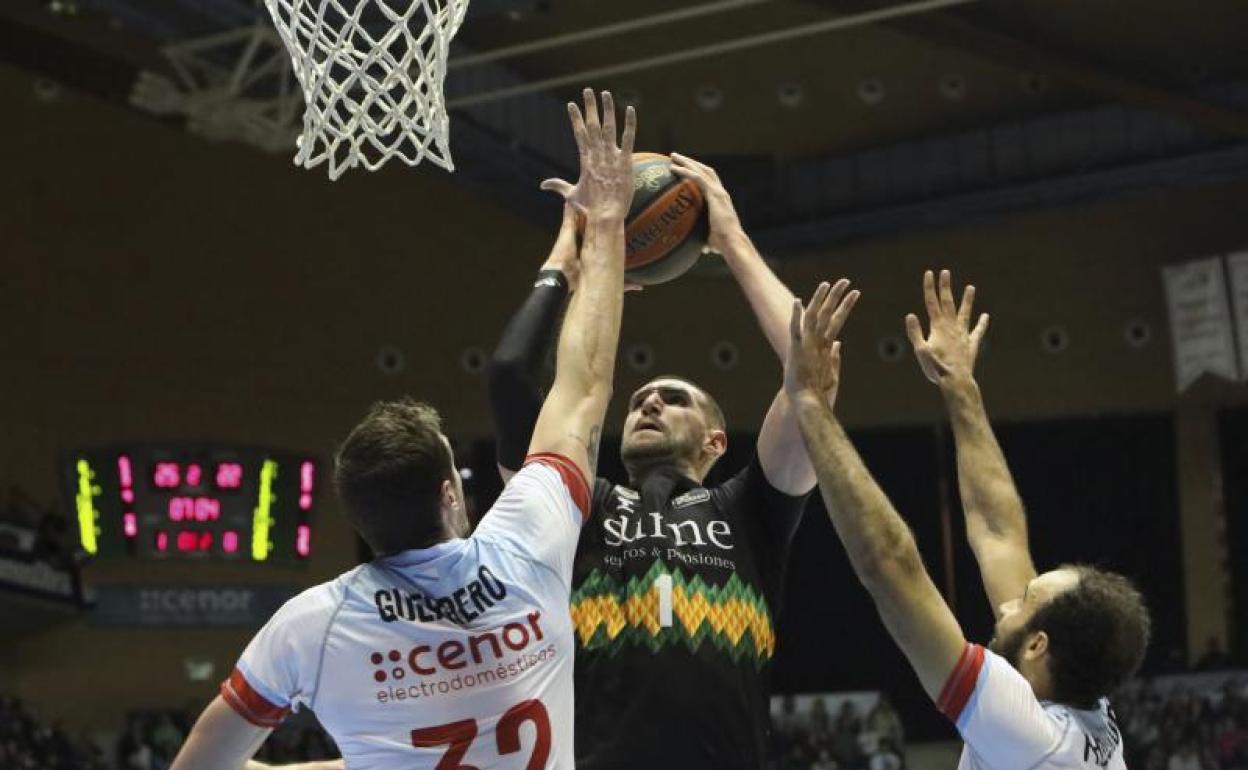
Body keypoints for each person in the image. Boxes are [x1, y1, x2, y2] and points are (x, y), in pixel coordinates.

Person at [166, 88, 636, 770]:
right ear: (451, 493)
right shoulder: (526, 545)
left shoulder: (313, 623)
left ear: (358, 517)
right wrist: (605, 229)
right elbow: (585, 385)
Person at [488, 156, 858, 769]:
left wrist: (730, 239)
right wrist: (567, 266)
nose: (649, 400)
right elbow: (509, 380)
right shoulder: (583, 507)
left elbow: (810, 380)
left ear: (716, 441)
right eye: (638, 400)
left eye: (674, 399)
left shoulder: (750, 510)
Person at [783, 271, 1151, 770]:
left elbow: (890, 565)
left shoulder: (1032, 738)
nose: (1007, 602)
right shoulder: (1081, 705)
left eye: (1024, 600)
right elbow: (999, 534)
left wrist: (808, 404)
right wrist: (960, 386)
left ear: (1039, 644)